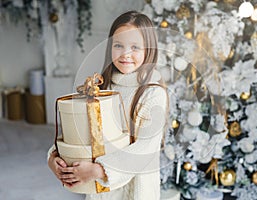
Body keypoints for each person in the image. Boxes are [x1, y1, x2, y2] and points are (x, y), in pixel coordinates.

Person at [47, 10, 168, 200]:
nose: (126, 54)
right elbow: (78, 130)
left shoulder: (153, 92)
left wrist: (97, 170)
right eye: (118, 45)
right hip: (100, 191)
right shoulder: (100, 86)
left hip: (136, 189)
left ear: (149, 50)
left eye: (135, 47)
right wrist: (54, 158)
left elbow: (146, 147)